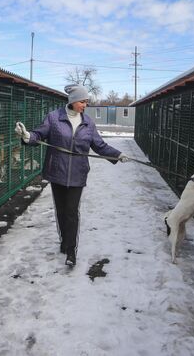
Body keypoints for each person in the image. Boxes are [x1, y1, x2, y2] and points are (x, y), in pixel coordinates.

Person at [14, 84, 129, 266]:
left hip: (77, 173)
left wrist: (117, 154)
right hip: (57, 171)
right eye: (83, 101)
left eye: (86, 102)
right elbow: (39, 134)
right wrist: (28, 136)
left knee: (72, 212)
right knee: (61, 211)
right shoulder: (54, 118)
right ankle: (64, 242)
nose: (85, 105)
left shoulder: (88, 123)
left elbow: (99, 145)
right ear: (73, 101)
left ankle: (71, 251)